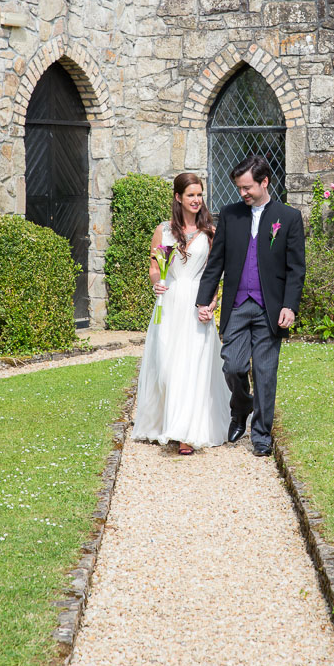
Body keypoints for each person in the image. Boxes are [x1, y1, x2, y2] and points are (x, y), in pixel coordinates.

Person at [196, 154, 306, 457]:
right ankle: (241, 405)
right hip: (237, 305)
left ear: (264, 181)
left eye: (247, 188)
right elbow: (215, 261)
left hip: (270, 309)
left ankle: (260, 434)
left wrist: (290, 306)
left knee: (265, 373)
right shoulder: (230, 215)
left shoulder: (289, 217)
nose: (242, 193)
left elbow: (297, 269)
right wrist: (204, 300)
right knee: (232, 365)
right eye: (239, 188)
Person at [131, 173, 230, 455]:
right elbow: (154, 266)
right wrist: (157, 281)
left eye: (200, 195)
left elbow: (214, 273)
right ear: (178, 198)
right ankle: (168, 421)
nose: (197, 200)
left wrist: (211, 304)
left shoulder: (211, 232)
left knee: (194, 365)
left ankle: (187, 432)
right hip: (171, 302)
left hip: (196, 304)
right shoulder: (163, 231)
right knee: (168, 364)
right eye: (191, 195)